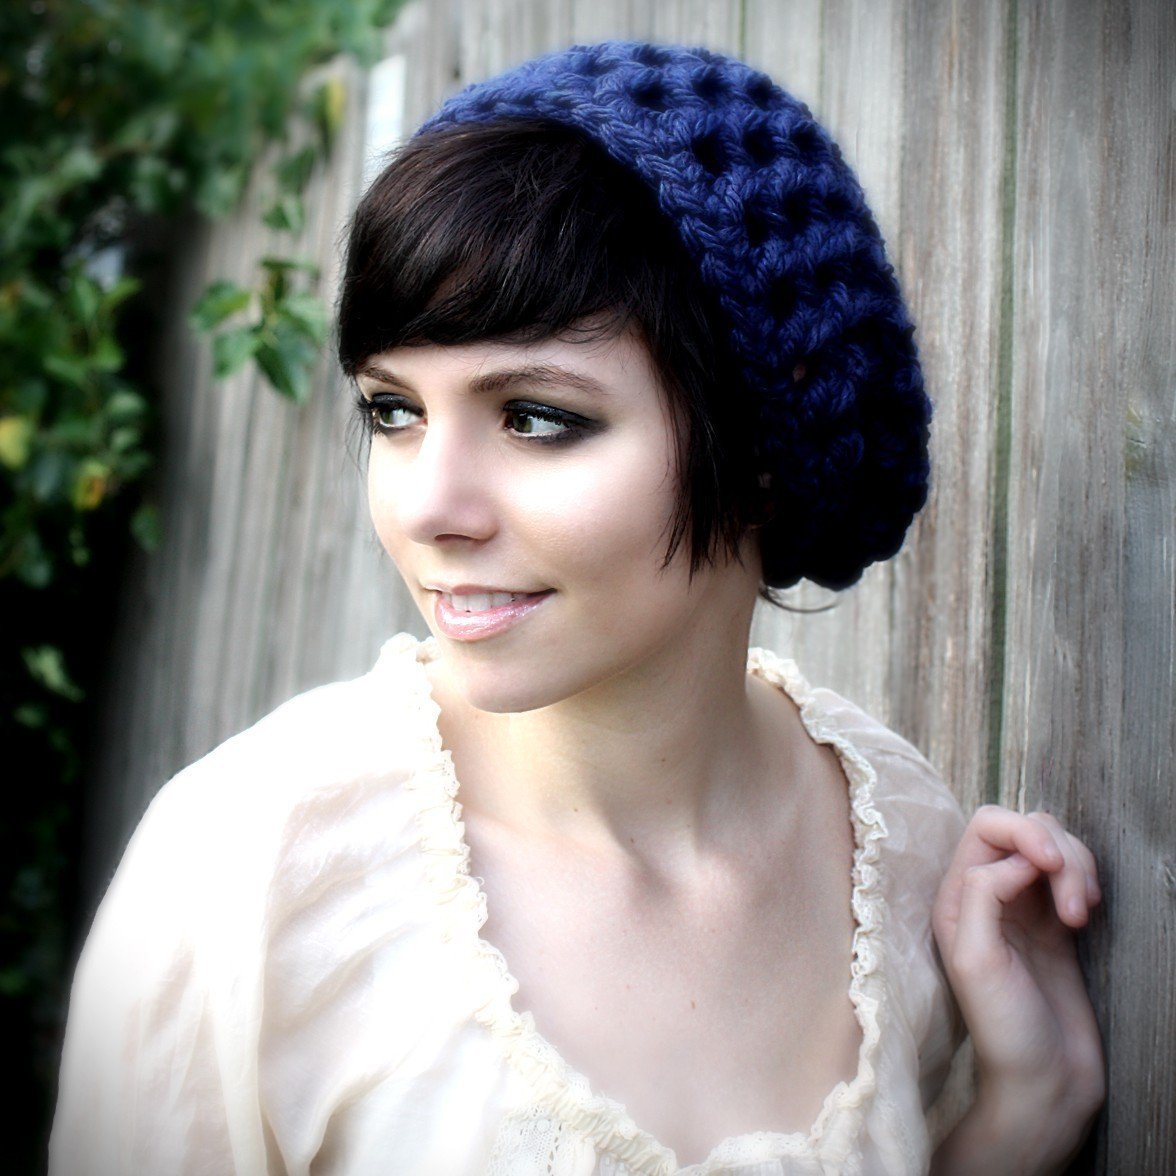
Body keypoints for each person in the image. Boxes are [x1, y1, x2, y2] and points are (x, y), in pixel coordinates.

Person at [50, 41, 1104, 1175]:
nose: (428, 507)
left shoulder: (904, 858)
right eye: (393, 411)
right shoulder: (256, 874)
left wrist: (1023, 1113)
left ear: (765, 443)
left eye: (536, 418)